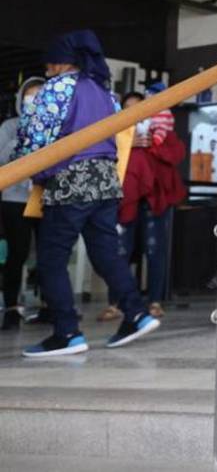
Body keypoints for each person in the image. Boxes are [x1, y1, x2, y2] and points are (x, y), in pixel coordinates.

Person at [15, 31, 160, 357]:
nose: (48, 70)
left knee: (52, 258)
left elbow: (35, 138)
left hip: (69, 182)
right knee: (106, 251)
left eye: (50, 64)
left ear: (58, 62)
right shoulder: (104, 91)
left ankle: (67, 332)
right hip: (106, 181)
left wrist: (21, 163)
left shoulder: (55, 88)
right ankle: (136, 313)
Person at [98, 86, 187, 322]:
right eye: (127, 109)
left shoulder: (160, 130)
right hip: (124, 199)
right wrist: (126, 144)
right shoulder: (114, 135)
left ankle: (155, 302)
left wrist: (153, 144)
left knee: (155, 251)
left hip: (156, 198)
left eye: (139, 107)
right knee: (120, 251)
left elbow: (177, 155)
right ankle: (115, 303)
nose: (133, 112)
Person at [0, 78, 43, 331]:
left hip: (43, 196)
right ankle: (12, 306)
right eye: (29, 97)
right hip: (14, 198)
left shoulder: (54, 127)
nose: (33, 102)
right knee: (17, 253)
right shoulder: (9, 126)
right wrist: (24, 133)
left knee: (48, 253)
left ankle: (49, 306)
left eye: (39, 97)